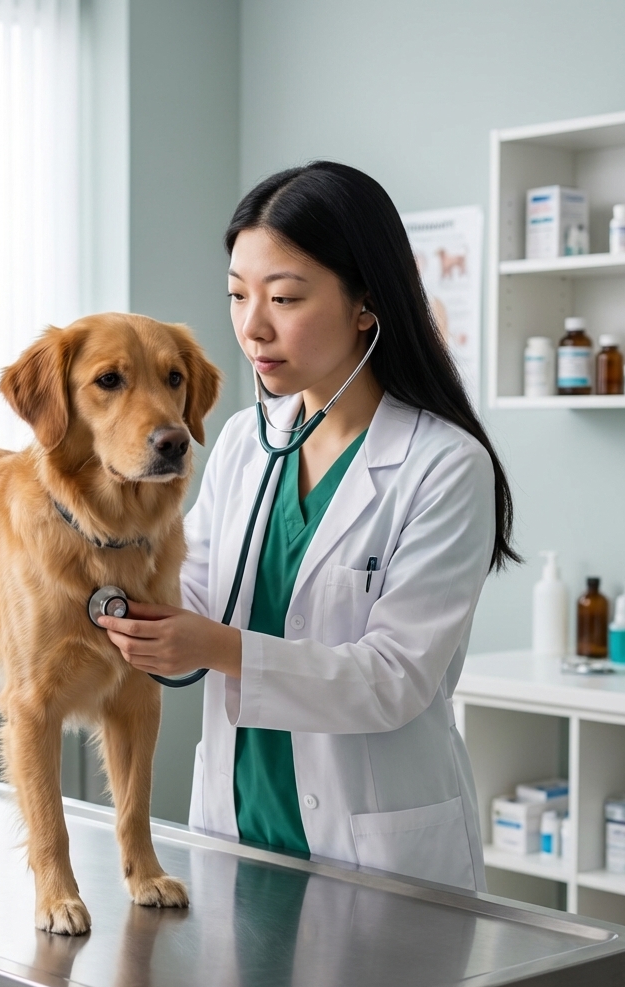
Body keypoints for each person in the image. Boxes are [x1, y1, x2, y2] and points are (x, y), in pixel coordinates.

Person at [99, 161, 519, 890]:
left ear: (365, 303)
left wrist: (217, 647)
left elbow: (394, 679)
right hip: (239, 827)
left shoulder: (445, 466)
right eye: (237, 295)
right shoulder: (240, 440)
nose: (253, 327)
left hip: (377, 852)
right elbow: (191, 588)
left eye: (285, 297)